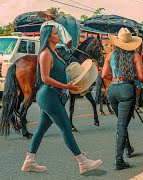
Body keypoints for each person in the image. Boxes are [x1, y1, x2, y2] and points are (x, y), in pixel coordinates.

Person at [21, 25, 103, 174]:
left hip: (53, 95)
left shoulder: (56, 52)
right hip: (48, 94)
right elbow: (45, 78)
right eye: (55, 33)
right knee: (66, 128)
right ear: (48, 36)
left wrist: (70, 85)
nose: (59, 35)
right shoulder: (46, 54)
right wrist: (65, 85)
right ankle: (82, 162)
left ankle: (29, 161)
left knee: (41, 129)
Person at [101, 27, 143, 170]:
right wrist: (130, 77)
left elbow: (103, 75)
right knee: (122, 125)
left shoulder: (110, 55)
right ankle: (118, 160)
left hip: (112, 90)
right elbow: (142, 78)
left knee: (121, 123)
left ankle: (128, 148)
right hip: (127, 89)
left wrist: (115, 77)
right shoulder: (135, 56)